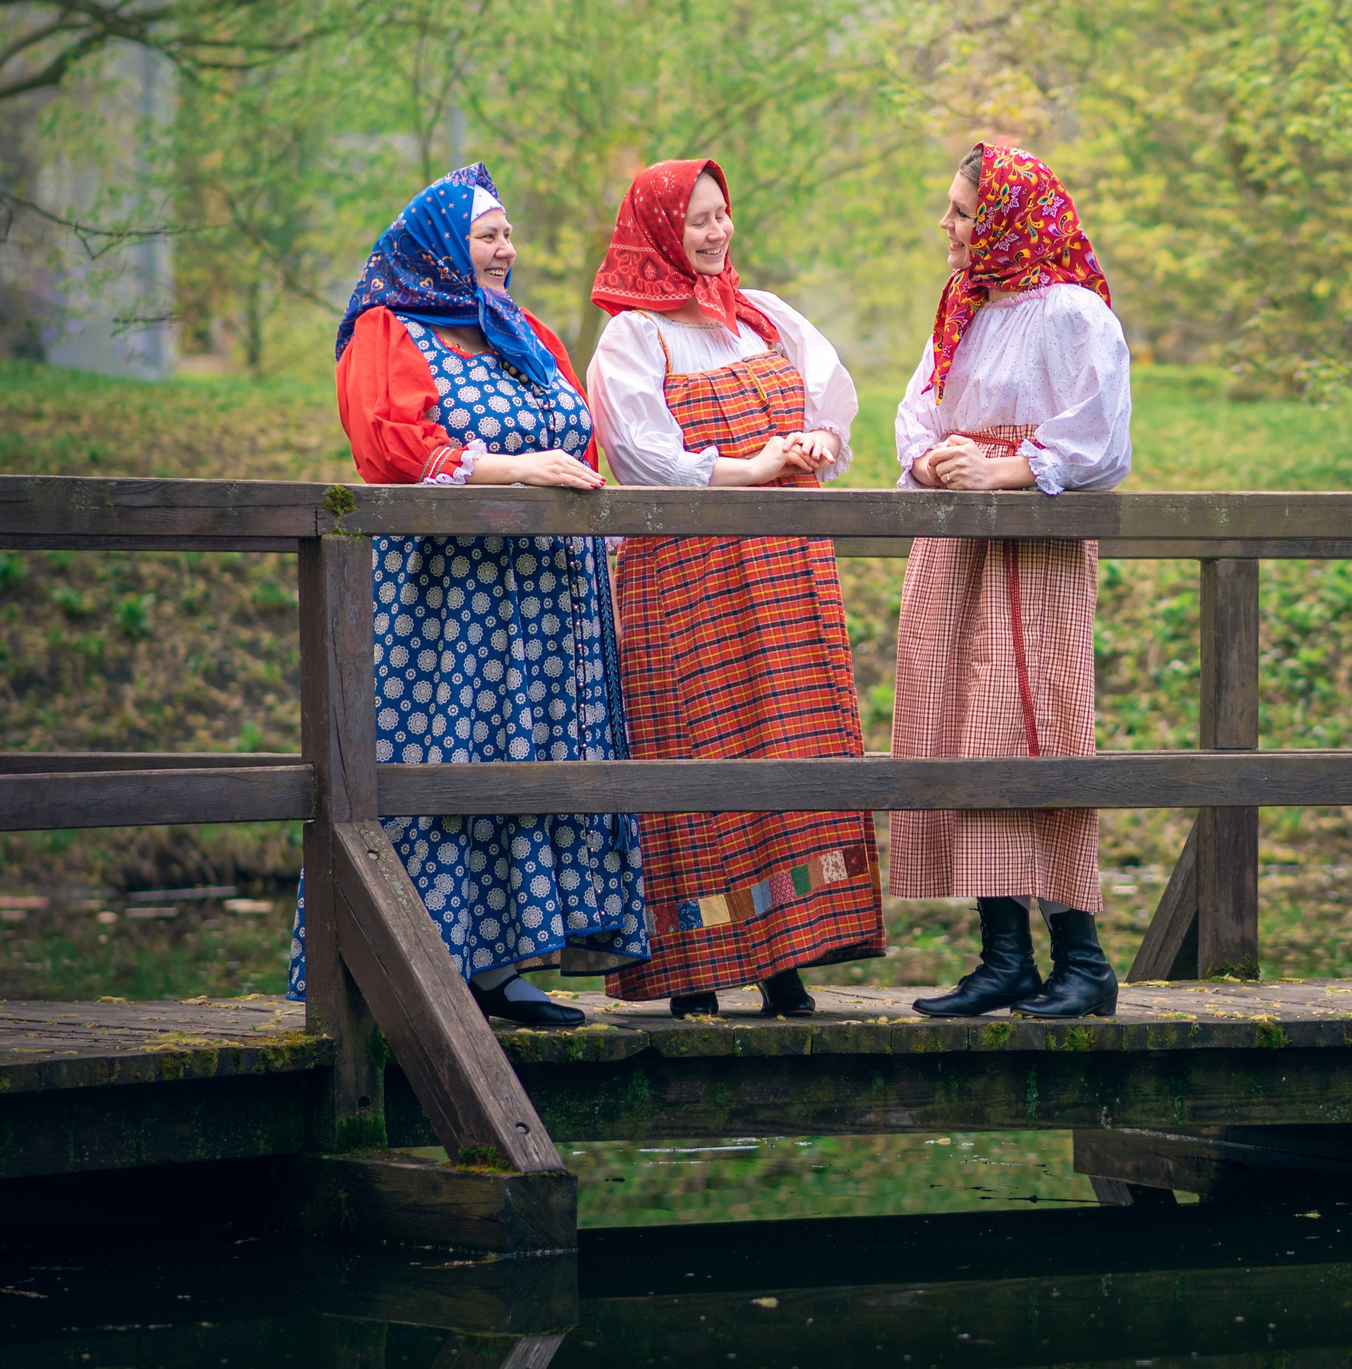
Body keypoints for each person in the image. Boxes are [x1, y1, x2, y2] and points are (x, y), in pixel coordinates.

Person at [290, 162, 646, 1031]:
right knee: (447, 760)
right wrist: (512, 468)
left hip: (548, 599)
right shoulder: (389, 330)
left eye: (508, 234)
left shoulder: (526, 333)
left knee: (528, 763)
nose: (505, 249)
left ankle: (504, 964)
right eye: (487, 235)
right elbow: (390, 447)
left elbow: (578, 440)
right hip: (451, 601)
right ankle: (413, 962)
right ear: (442, 245)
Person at [586, 158, 883, 1018]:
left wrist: (819, 443)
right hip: (689, 576)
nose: (716, 233)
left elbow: (830, 397)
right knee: (695, 751)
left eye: (722, 215)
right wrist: (753, 466)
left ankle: (787, 956)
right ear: (658, 232)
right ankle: (696, 968)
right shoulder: (635, 338)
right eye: (697, 221)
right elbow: (642, 458)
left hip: (784, 572)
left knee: (787, 742)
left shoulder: (764, 316)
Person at [893, 143, 1132, 1019]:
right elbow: (918, 410)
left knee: (1039, 724)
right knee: (962, 725)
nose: (947, 225)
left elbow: (1101, 438)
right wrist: (932, 461)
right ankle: (1004, 956)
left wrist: (1006, 469)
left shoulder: (1071, 312)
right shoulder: (964, 303)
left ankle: (1084, 959)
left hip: (1035, 543)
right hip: (960, 545)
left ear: (1004, 219)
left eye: (962, 211)